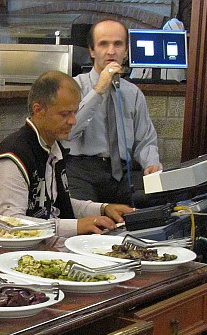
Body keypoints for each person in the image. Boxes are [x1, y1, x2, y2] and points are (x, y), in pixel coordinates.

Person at [0, 70, 134, 237]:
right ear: (38, 110)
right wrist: (76, 226)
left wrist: (103, 209)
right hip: (15, 254)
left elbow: (56, 203)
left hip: (47, 244)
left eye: (74, 112)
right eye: (65, 114)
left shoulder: (52, 147)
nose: (73, 121)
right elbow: (11, 224)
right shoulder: (13, 156)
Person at [62, 19, 161, 206]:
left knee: (158, 204)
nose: (111, 51)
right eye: (103, 44)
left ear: (126, 51)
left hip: (123, 172)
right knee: (79, 213)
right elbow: (69, 133)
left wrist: (152, 164)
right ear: (92, 50)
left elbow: (145, 140)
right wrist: (98, 91)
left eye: (118, 44)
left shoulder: (133, 93)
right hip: (81, 170)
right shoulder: (74, 86)